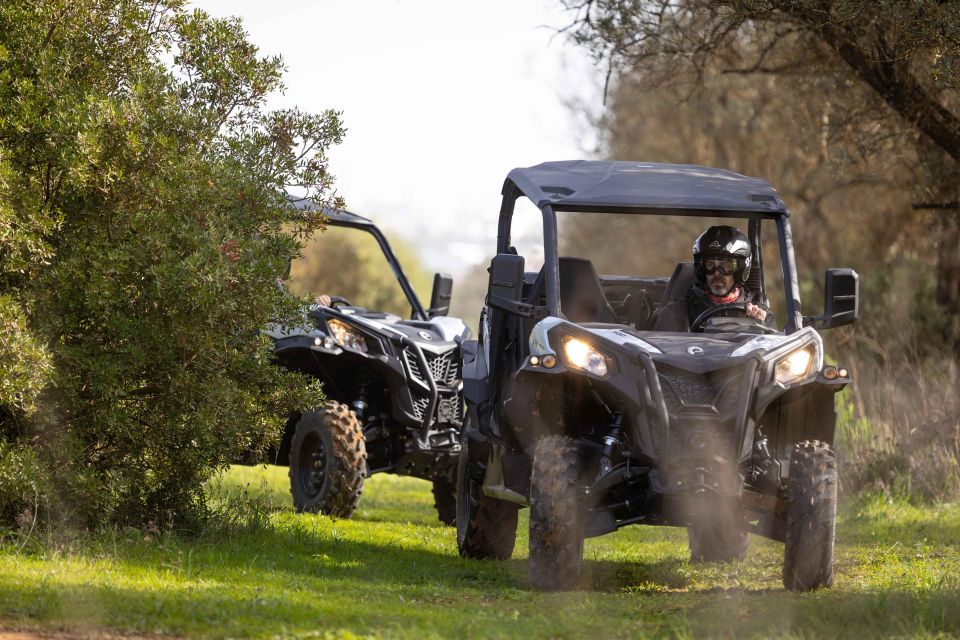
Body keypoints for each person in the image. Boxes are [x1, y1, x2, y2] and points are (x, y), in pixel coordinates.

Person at [654, 225, 774, 331]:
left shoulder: (760, 313)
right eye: (710, 265)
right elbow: (662, 350)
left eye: (726, 266)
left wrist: (760, 326)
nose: (717, 273)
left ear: (740, 269)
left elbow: (774, 352)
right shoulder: (678, 312)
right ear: (701, 268)